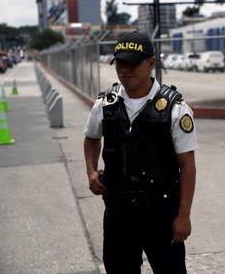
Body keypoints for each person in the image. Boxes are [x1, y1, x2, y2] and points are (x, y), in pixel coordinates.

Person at [83, 31, 197, 273]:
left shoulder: (176, 110)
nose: (125, 70)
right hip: (118, 215)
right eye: (120, 63)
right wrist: (91, 170)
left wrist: (184, 215)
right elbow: (92, 137)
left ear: (151, 64)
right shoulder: (105, 105)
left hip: (162, 216)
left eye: (132, 64)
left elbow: (187, 166)